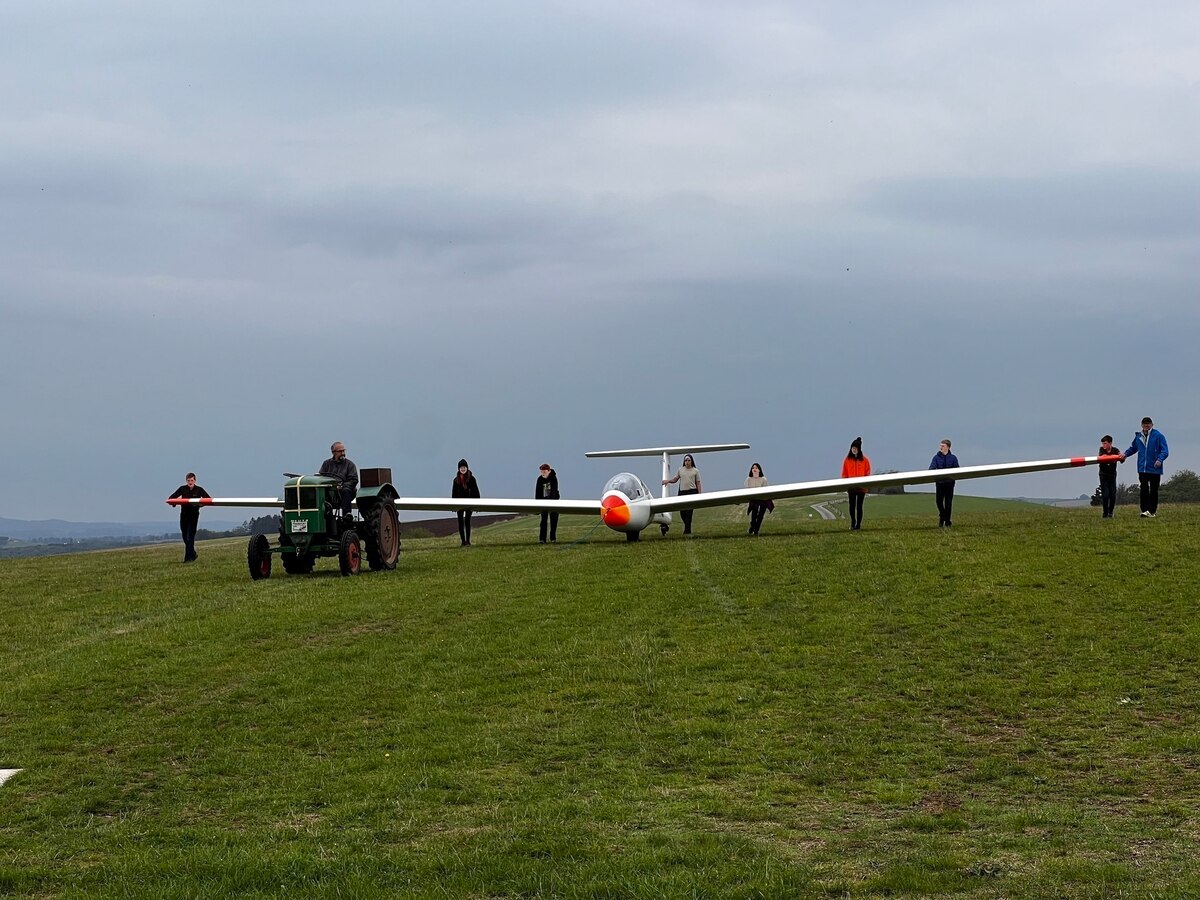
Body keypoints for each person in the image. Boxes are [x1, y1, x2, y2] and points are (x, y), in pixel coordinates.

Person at [1123, 416, 1169, 518]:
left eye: (1148, 424)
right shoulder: (1139, 436)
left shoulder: (1158, 436)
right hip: (1142, 468)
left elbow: (1165, 451)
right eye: (1144, 424)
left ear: (1152, 425)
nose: (1146, 425)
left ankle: (1152, 511)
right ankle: (1144, 510)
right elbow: (1133, 448)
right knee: (1143, 489)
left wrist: (1160, 460)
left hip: (1154, 468)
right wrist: (1125, 454)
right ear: (1141, 425)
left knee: (1153, 490)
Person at [167, 472, 210, 563]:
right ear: (186, 481)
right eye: (188, 480)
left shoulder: (199, 490)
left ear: (195, 481)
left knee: (190, 536)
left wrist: (199, 505)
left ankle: (188, 559)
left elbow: (208, 499)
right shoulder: (182, 489)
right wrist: (174, 503)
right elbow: (171, 498)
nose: (190, 482)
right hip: (184, 515)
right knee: (184, 536)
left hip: (194, 515)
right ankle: (193, 554)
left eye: (192, 480)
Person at [662, 454, 701, 534]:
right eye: (686, 460)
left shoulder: (695, 471)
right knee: (682, 513)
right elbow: (675, 479)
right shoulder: (680, 470)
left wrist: (700, 494)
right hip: (682, 493)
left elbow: (698, 483)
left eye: (689, 460)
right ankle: (687, 526)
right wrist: (667, 481)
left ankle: (687, 531)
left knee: (689, 513)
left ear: (691, 461)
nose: (687, 462)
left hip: (692, 492)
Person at [319, 441, 358, 518]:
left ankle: (347, 515)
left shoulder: (350, 465)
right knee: (322, 493)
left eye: (344, 451)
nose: (343, 453)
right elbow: (320, 477)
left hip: (345, 490)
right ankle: (326, 517)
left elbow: (354, 479)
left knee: (346, 491)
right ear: (333, 452)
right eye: (340, 451)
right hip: (330, 490)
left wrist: (342, 486)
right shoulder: (326, 464)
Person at [840, 437, 871, 530]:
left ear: (859, 449)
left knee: (859, 506)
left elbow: (867, 473)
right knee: (852, 505)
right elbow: (844, 473)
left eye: (855, 448)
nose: (853, 450)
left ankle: (858, 525)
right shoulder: (847, 460)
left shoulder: (865, 460)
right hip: (851, 487)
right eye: (852, 448)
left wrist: (865, 483)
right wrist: (846, 484)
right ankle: (853, 522)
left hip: (861, 487)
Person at [929, 438, 959, 527]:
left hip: (950, 484)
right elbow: (931, 468)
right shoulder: (936, 457)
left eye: (943, 446)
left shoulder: (953, 458)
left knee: (948, 504)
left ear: (948, 447)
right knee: (939, 502)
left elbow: (957, 470)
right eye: (940, 446)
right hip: (940, 483)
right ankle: (942, 515)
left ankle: (947, 522)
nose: (941, 448)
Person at [452, 458, 481, 546]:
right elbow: (454, 494)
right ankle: (463, 542)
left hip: (469, 503)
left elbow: (476, 492)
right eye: (461, 467)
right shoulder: (456, 480)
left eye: (464, 467)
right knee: (460, 522)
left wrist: (477, 505)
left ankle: (468, 541)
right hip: (459, 503)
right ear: (459, 469)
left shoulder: (472, 479)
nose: (463, 469)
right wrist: (453, 506)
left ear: (467, 468)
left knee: (467, 521)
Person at [744, 463, 772, 536]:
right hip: (754, 500)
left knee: (760, 516)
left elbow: (766, 490)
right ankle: (752, 527)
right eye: (753, 468)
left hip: (763, 500)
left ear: (759, 470)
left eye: (756, 468)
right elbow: (747, 490)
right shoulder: (748, 479)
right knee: (754, 514)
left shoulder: (763, 479)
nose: (754, 469)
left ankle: (756, 530)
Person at [535, 463, 560, 543]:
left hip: (554, 502)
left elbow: (554, 490)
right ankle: (542, 539)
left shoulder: (553, 478)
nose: (543, 473)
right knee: (543, 521)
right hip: (543, 502)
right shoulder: (539, 479)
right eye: (542, 472)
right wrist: (537, 505)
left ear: (549, 471)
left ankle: (553, 538)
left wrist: (551, 502)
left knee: (554, 520)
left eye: (545, 472)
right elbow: (538, 492)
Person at [1097, 435, 1119, 518]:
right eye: (1103, 443)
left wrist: (1120, 456)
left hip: (1112, 475)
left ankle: (1110, 512)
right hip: (1103, 474)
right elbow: (1101, 457)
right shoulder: (1101, 450)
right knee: (1105, 495)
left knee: (1112, 495)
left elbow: (1121, 458)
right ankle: (1105, 513)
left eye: (1105, 443)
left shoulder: (1115, 450)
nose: (1103, 445)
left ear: (1110, 443)